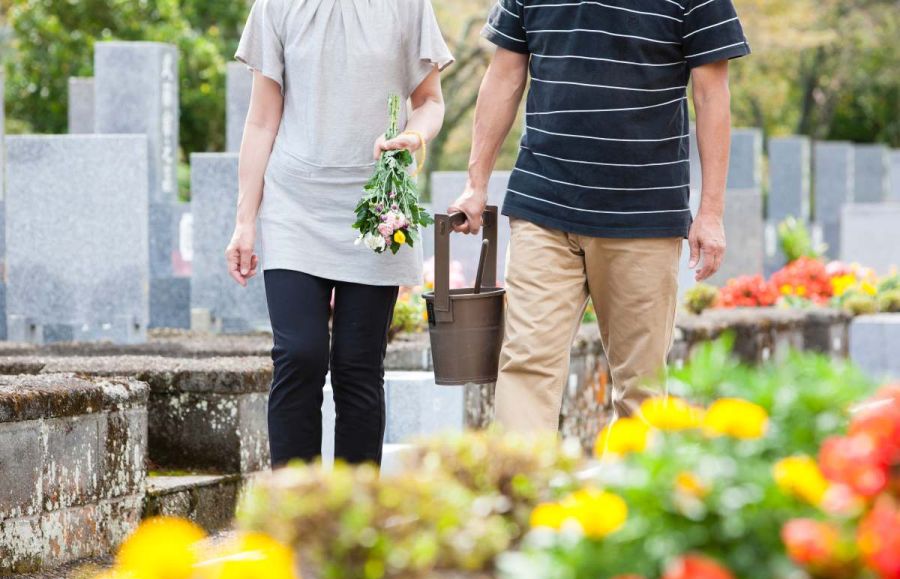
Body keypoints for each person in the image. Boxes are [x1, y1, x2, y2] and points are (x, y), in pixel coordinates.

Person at [451, 0, 749, 431]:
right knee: (525, 363)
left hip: (643, 216)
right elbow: (504, 75)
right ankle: (522, 494)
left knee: (641, 388)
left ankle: (632, 496)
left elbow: (711, 94)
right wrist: (475, 184)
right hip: (543, 205)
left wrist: (712, 212)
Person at [226, 0, 453, 467]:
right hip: (295, 204)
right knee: (299, 355)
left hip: (378, 204)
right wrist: (245, 222)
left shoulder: (407, 7)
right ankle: (293, 511)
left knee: (358, 366)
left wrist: (414, 137)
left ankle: (354, 519)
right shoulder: (276, 7)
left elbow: (429, 101)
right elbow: (262, 119)